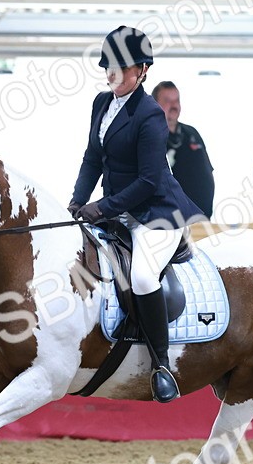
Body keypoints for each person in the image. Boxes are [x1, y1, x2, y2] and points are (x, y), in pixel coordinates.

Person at [69, 26, 203, 404]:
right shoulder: (101, 103)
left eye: (120, 67)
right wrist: (77, 201)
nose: (111, 73)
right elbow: (92, 158)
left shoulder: (150, 116)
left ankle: (162, 367)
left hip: (156, 212)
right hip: (119, 209)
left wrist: (102, 207)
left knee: (143, 277)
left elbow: (148, 180)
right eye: (108, 66)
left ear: (142, 70)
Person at [150, 81, 215, 218]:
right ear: (154, 104)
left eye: (176, 100)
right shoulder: (149, 137)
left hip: (201, 218)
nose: (174, 106)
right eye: (167, 100)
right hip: (168, 221)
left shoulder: (191, 133)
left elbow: (207, 171)